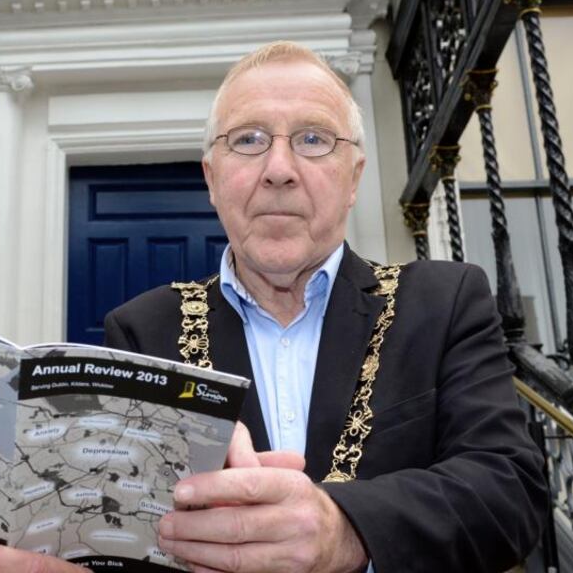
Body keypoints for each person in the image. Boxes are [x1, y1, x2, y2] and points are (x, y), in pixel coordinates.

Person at [97, 42, 548, 572]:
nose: (279, 169)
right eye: (248, 139)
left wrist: (348, 530)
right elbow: (125, 527)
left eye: (313, 139)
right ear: (212, 179)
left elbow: (509, 491)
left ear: (353, 178)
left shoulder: (443, 302)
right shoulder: (141, 331)